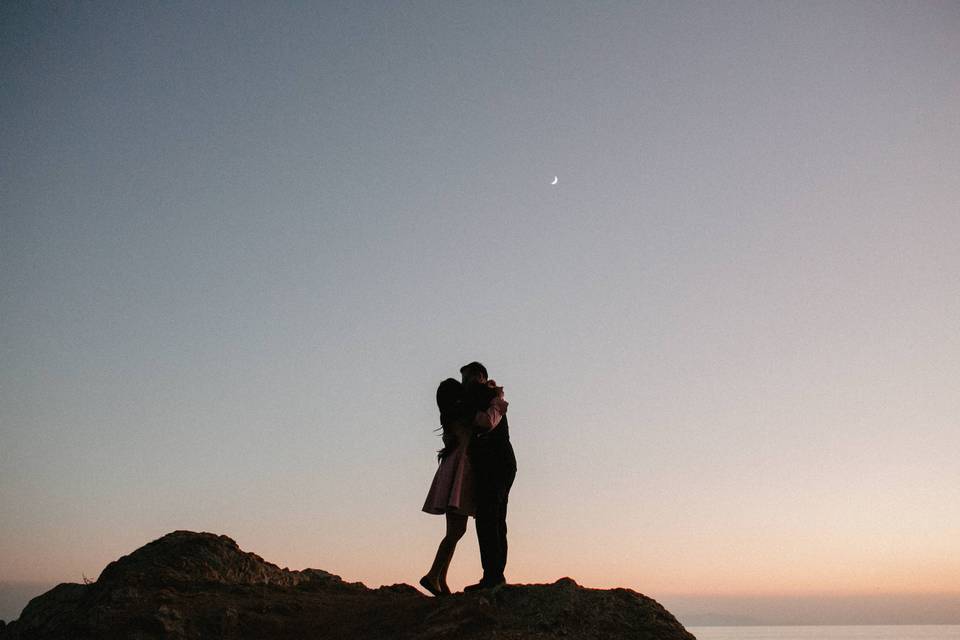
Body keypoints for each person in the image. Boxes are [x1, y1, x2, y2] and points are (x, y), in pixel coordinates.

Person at [460, 361, 515, 592]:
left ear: (480, 376)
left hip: (496, 464)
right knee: (494, 518)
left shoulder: (487, 396)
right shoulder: (490, 396)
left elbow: (486, 424)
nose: (465, 383)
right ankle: (494, 575)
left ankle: (493, 577)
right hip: (500, 464)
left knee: (489, 517)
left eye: (468, 378)